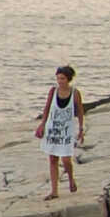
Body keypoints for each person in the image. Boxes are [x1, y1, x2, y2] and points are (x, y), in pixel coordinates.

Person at [35, 65, 86, 200]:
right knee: (53, 159)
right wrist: (42, 124)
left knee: (66, 159)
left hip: (66, 130)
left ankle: (71, 178)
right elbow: (47, 108)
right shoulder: (53, 91)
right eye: (58, 78)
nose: (60, 81)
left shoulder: (75, 93)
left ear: (68, 79)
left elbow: (80, 111)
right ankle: (54, 191)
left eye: (62, 78)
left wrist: (81, 128)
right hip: (53, 129)